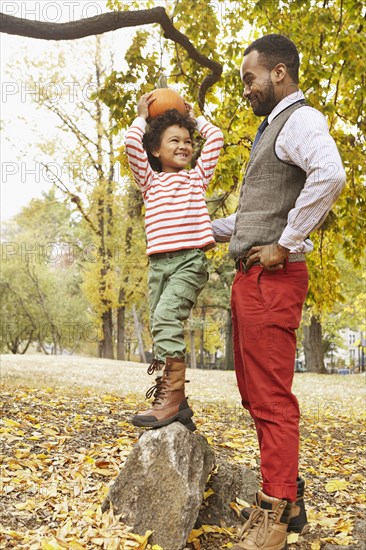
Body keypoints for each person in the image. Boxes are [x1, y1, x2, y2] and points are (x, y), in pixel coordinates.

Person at [212, 34, 346, 550]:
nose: (246, 87)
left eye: (250, 78)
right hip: (252, 279)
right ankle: (291, 506)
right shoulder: (272, 129)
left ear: (279, 74)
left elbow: (329, 174)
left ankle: (274, 517)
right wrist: (198, 227)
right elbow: (250, 218)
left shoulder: (302, 120)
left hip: (273, 279)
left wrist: (287, 243)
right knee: (254, 395)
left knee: (271, 399)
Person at [125, 93, 224, 432]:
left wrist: (194, 119)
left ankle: (173, 398)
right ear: (156, 150)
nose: (184, 145)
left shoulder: (196, 178)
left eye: (187, 141)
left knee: (166, 316)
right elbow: (130, 143)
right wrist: (142, 116)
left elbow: (217, 138)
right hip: (158, 266)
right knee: (159, 324)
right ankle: (174, 398)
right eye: (174, 140)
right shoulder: (149, 182)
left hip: (188, 262)